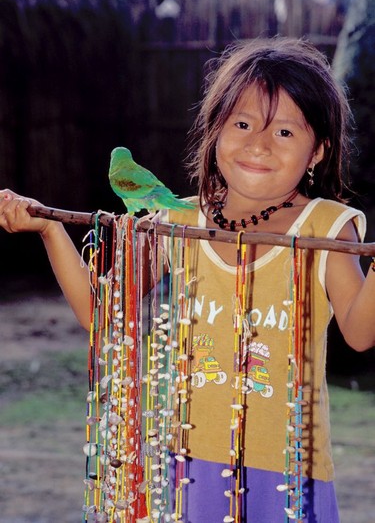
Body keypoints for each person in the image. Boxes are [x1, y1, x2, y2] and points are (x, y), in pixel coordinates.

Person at [0, 37, 374, 523]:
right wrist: (50, 230)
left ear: (318, 151)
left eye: (284, 132)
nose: (257, 143)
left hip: (288, 473)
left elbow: (361, 332)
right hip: (190, 466)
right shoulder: (178, 219)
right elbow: (103, 316)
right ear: (215, 131)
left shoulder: (326, 226)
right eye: (241, 124)